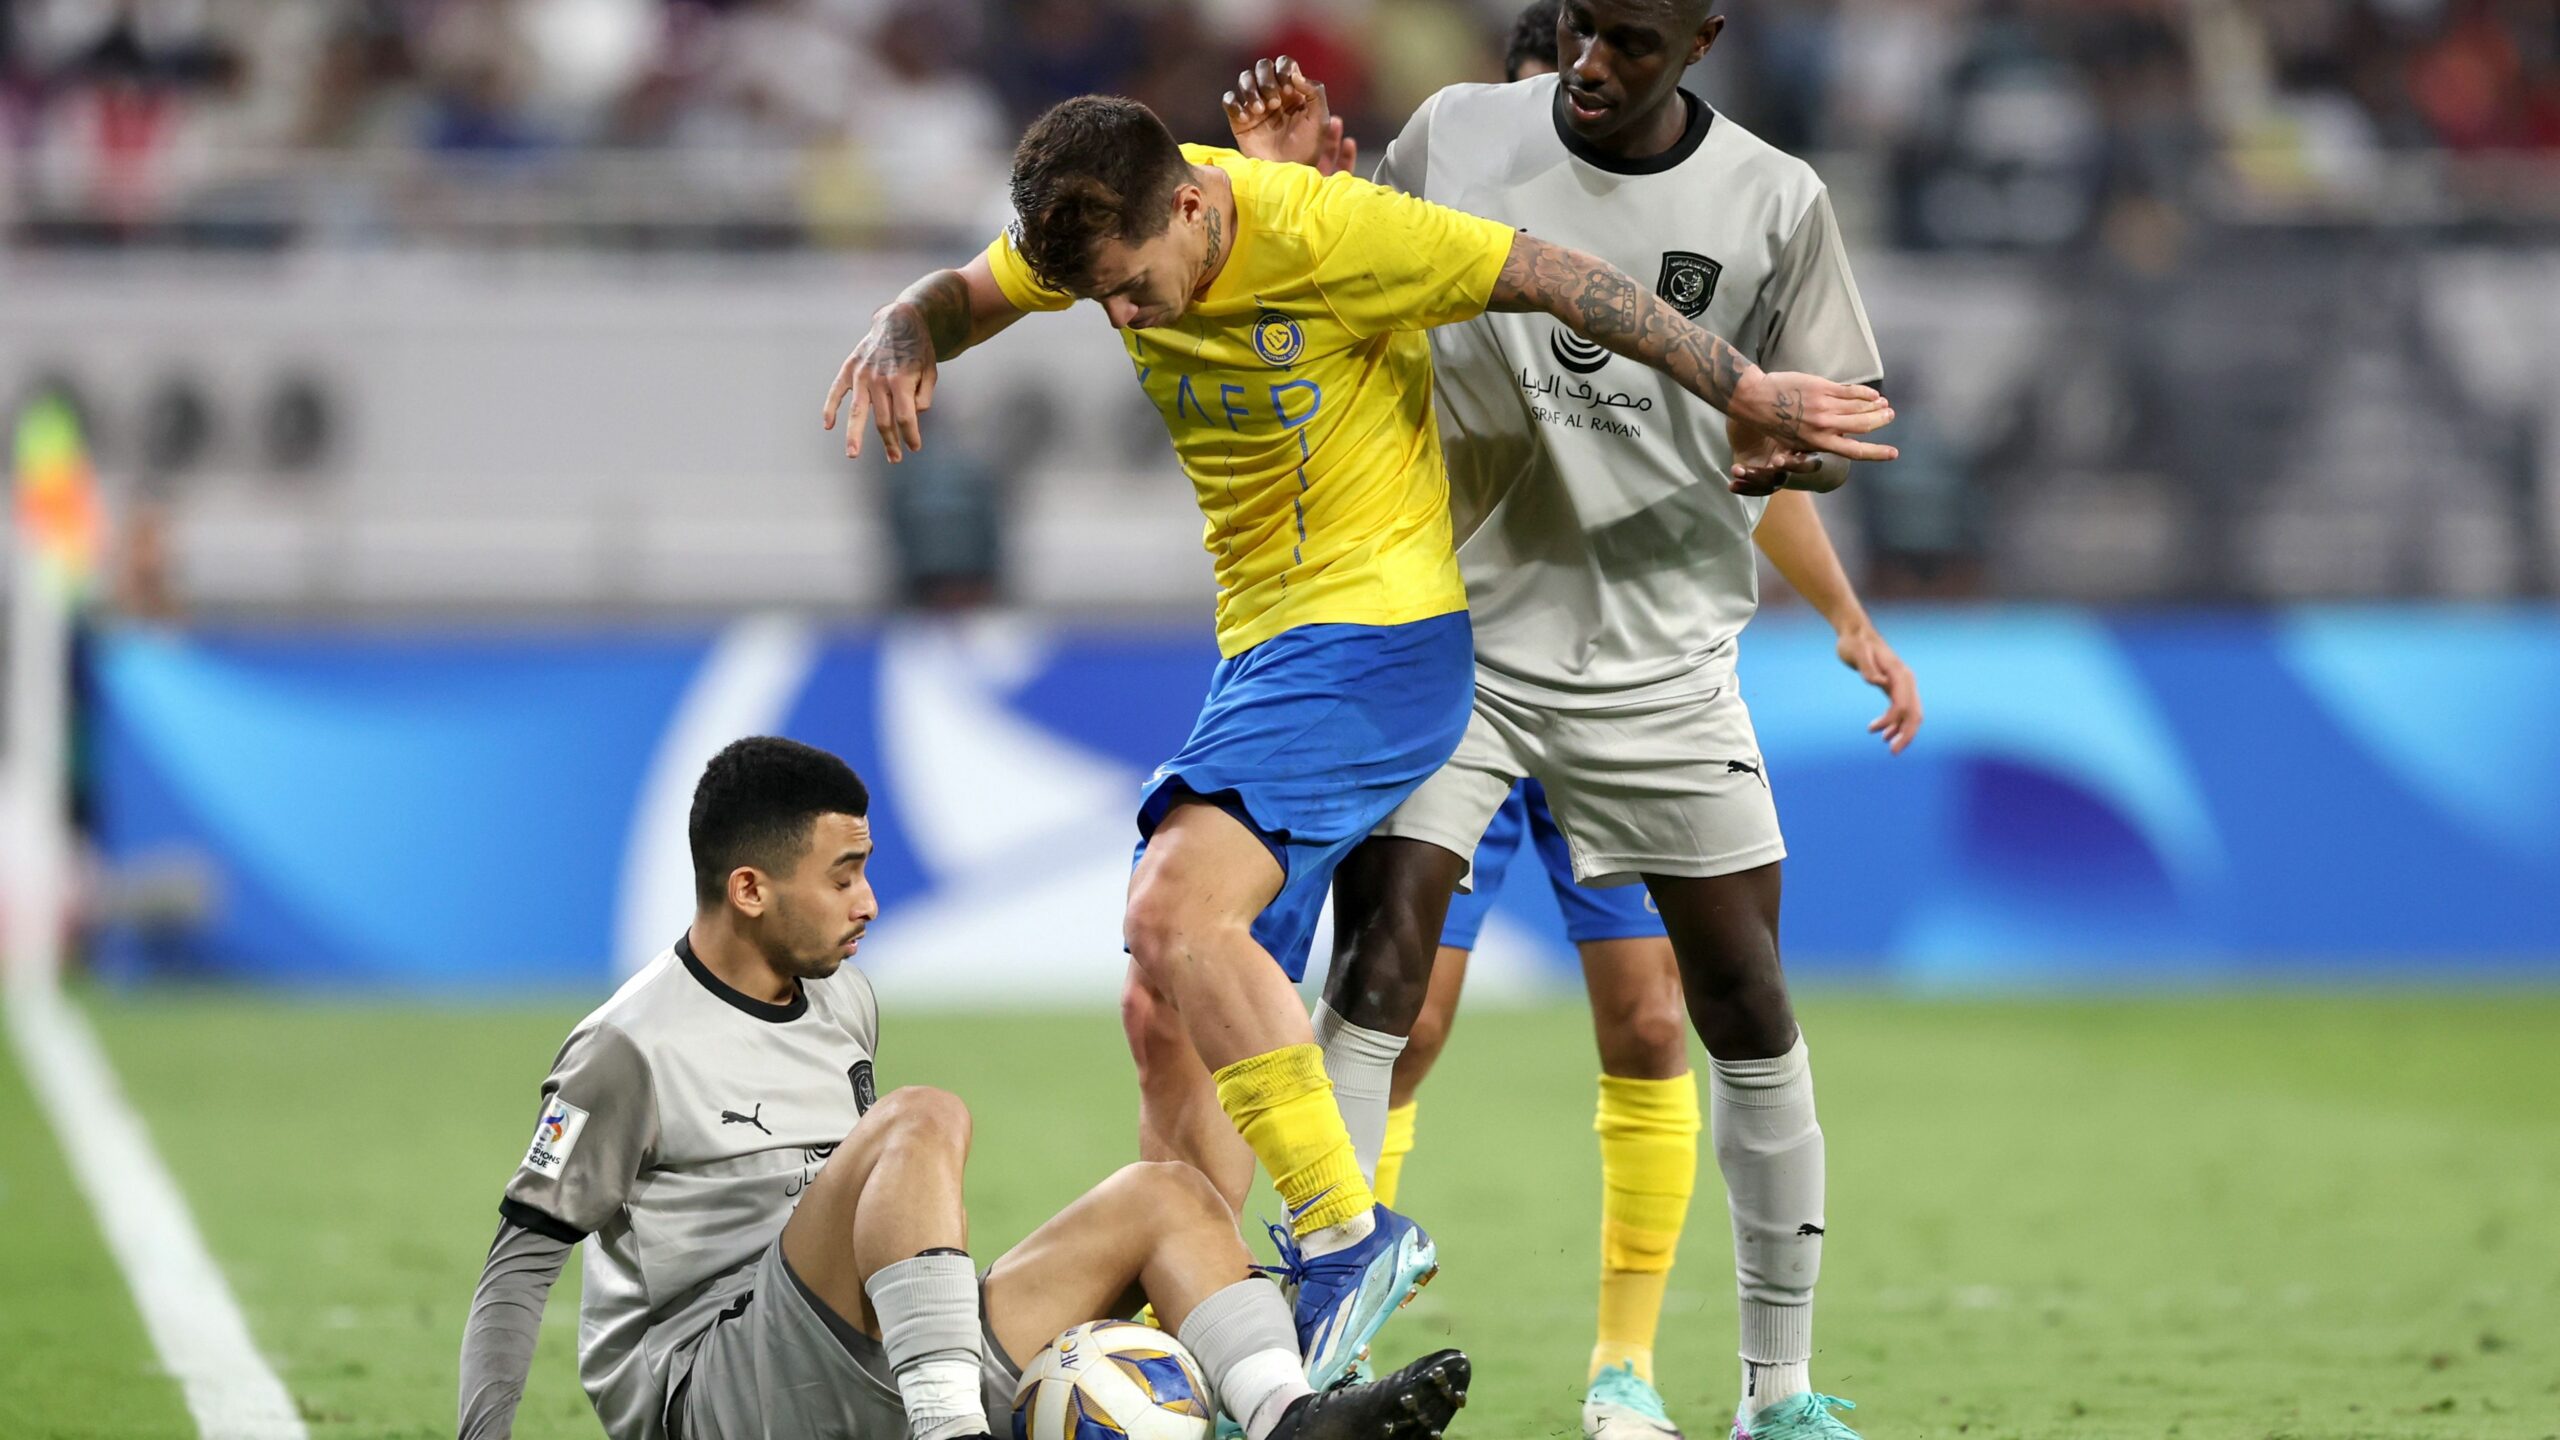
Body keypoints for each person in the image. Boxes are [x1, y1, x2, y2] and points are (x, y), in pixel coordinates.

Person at [818, 93, 1896, 1386]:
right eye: (1097, 299)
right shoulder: (1107, 214)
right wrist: (904, 323)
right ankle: (1211, 1362)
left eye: (1133, 288)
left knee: (1173, 913)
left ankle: (1344, 1232)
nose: (1124, 319)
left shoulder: (1334, 232)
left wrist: (1744, 385)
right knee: (1169, 1008)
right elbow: (968, 297)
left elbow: (1562, 278)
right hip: (1265, 651)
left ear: (1193, 208)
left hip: (1375, 642)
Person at [1220, 3, 1907, 1435]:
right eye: (1582, 25)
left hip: (1659, 656)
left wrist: (1793, 455)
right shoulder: (1455, 134)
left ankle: (1774, 1395)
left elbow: (1835, 430)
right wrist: (1300, 195)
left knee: (1739, 1003)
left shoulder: (1776, 200)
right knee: (1381, 977)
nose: (1595, 61)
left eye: (1632, 41)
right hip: (1450, 631)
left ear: (1701, 40)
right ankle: (1317, 1378)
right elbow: (1356, 300)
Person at [453, 736, 1473, 1440]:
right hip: (722, 1391)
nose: (868, 901)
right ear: (750, 889)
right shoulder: (629, 1046)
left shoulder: (843, 1001)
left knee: (1166, 1194)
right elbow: (519, 1264)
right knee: (922, 1117)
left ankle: (1289, 1418)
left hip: (859, 1361)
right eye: (842, 875)